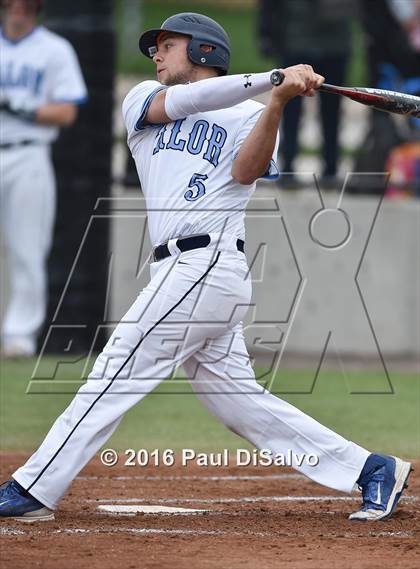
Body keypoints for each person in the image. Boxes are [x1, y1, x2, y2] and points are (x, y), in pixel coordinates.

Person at [0, 12, 411, 522]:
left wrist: (277, 103)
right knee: (236, 401)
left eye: (167, 45)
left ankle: (33, 488)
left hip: (208, 263)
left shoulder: (251, 116)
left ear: (203, 52)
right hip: (178, 269)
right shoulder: (142, 101)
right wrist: (273, 80)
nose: (156, 53)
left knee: (117, 367)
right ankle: (370, 468)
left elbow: (246, 171)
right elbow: (188, 101)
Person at [0, 0, 87, 357]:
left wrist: (20, 107)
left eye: (27, 5)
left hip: (28, 152)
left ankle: (19, 335)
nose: (19, 10)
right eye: (12, 4)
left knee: (27, 246)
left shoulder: (54, 49)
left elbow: (68, 110)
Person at [258, 0, 355, 187]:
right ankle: (288, 167)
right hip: (297, 42)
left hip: (332, 44)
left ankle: (330, 168)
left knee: (330, 111)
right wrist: (266, 34)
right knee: (291, 109)